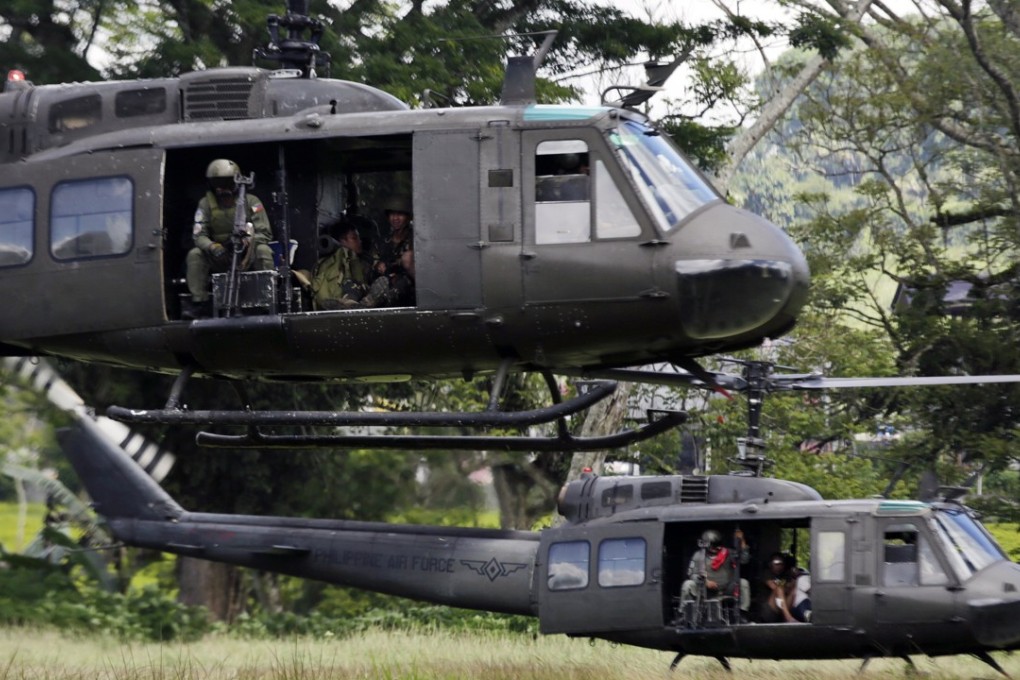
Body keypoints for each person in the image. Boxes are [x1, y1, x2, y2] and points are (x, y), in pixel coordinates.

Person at [183, 159, 274, 319]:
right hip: (221, 255)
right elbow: (199, 235)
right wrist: (213, 247)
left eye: (225, 183)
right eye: (217, 183)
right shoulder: (205, 204)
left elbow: (265, 233)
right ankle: (199, 303)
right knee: (195, 255)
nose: (221, 188)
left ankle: (266, 300)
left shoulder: (251, 202)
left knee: (264, 251)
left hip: (247, 256)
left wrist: (249, 241)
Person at [309, 220, 392, 310]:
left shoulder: (359, 258)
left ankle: (356, 305)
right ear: (342, 241)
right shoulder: (340, 261)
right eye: (354, 238)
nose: (359, 242)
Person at [680, 528, 751, 622]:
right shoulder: (698, 555)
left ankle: (742, 614)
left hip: (726, 589)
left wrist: (741, 541)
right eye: (713, 546)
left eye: (717, 546)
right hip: (705, 590)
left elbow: (744, 560)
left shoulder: (728, 553)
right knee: (687, 584)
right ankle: (684, 614)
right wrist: (705, 582)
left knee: (743, 583)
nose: (715, 549)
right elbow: (691, 574)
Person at [369, 198, 415, 306]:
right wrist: (377, 266)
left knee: (402, 281)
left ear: (408, 217)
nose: (395, 218)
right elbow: (371, 265)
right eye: (392, 214)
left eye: (400, 214)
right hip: (381, 284)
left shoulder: (415, 239)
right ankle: (351, 304)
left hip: (407, 290)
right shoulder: (381, 242)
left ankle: (374, 303)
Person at [761, 552, 797, 623]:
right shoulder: (767, 574)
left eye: (781, 564)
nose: (779, 566)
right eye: (776, 564)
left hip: (780, 610)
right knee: (779, 589)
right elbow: (774, 587)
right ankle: (788, 618)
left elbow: (789, 589)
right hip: (768, 611)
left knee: (793, 590)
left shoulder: (784, 576)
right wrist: (785, 587)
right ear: (770, 564)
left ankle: (786, 617)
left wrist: (794, 578)